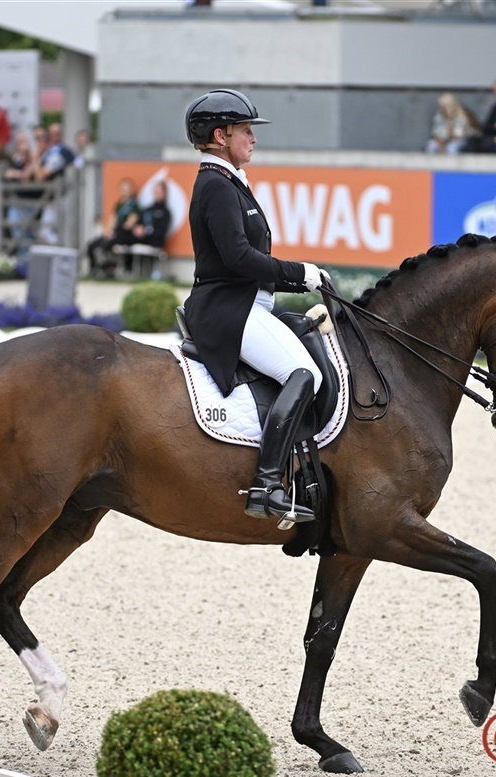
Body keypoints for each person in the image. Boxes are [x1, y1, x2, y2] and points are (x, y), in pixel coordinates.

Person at [181, 88, 326, 524]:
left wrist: (297, 279)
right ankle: (267, 484)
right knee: (304, 373)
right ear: (220, 135)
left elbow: (245, 262)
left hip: (245, 303)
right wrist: (299, 272)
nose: (253, 138)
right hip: (229, 308)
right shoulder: (216, 185)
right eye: (246, 130)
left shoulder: (228, 182)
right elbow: (238, 258)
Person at [85, 177, 140, 276]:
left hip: (124, 235)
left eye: (127, 189)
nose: (125, 192)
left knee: (106, 246)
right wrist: (109, 232)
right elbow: (113, 220)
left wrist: (115, 231)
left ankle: (108, 268)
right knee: (92, 245)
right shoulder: (119, 205)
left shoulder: (134, 206)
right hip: (114, 233)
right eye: (123, 189)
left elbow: (129, 224)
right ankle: (93, 269)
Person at [469, 80, 496, 153]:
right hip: (492, 137)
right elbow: (486, 126)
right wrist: (495, 126)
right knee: (472, 140)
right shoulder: (495, 107)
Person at [131, 180, 172, 249]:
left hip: (155, 245)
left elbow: (161, 232)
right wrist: (137, 230)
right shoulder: (147, 210)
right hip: (140, 242)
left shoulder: (165, 212)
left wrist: (145, 231)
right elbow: (138, 224)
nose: (158, 194)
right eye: (156, 192)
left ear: (165, 193)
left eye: (160, 192)